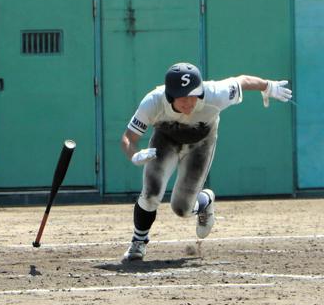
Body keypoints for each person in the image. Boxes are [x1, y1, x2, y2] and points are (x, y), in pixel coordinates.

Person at [120, 62, 292, 262]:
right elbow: (127, 138)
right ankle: (138, 242)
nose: (189, 103)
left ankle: (204, 200)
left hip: (200, 143)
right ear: (169, 95)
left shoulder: (215, 94)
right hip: (165, 141)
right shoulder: (153, 101)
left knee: (182, 209)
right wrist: (133, 154)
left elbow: (243, 81)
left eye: (193, 95)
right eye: (182, 98)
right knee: (151, 194)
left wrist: (267, 86)